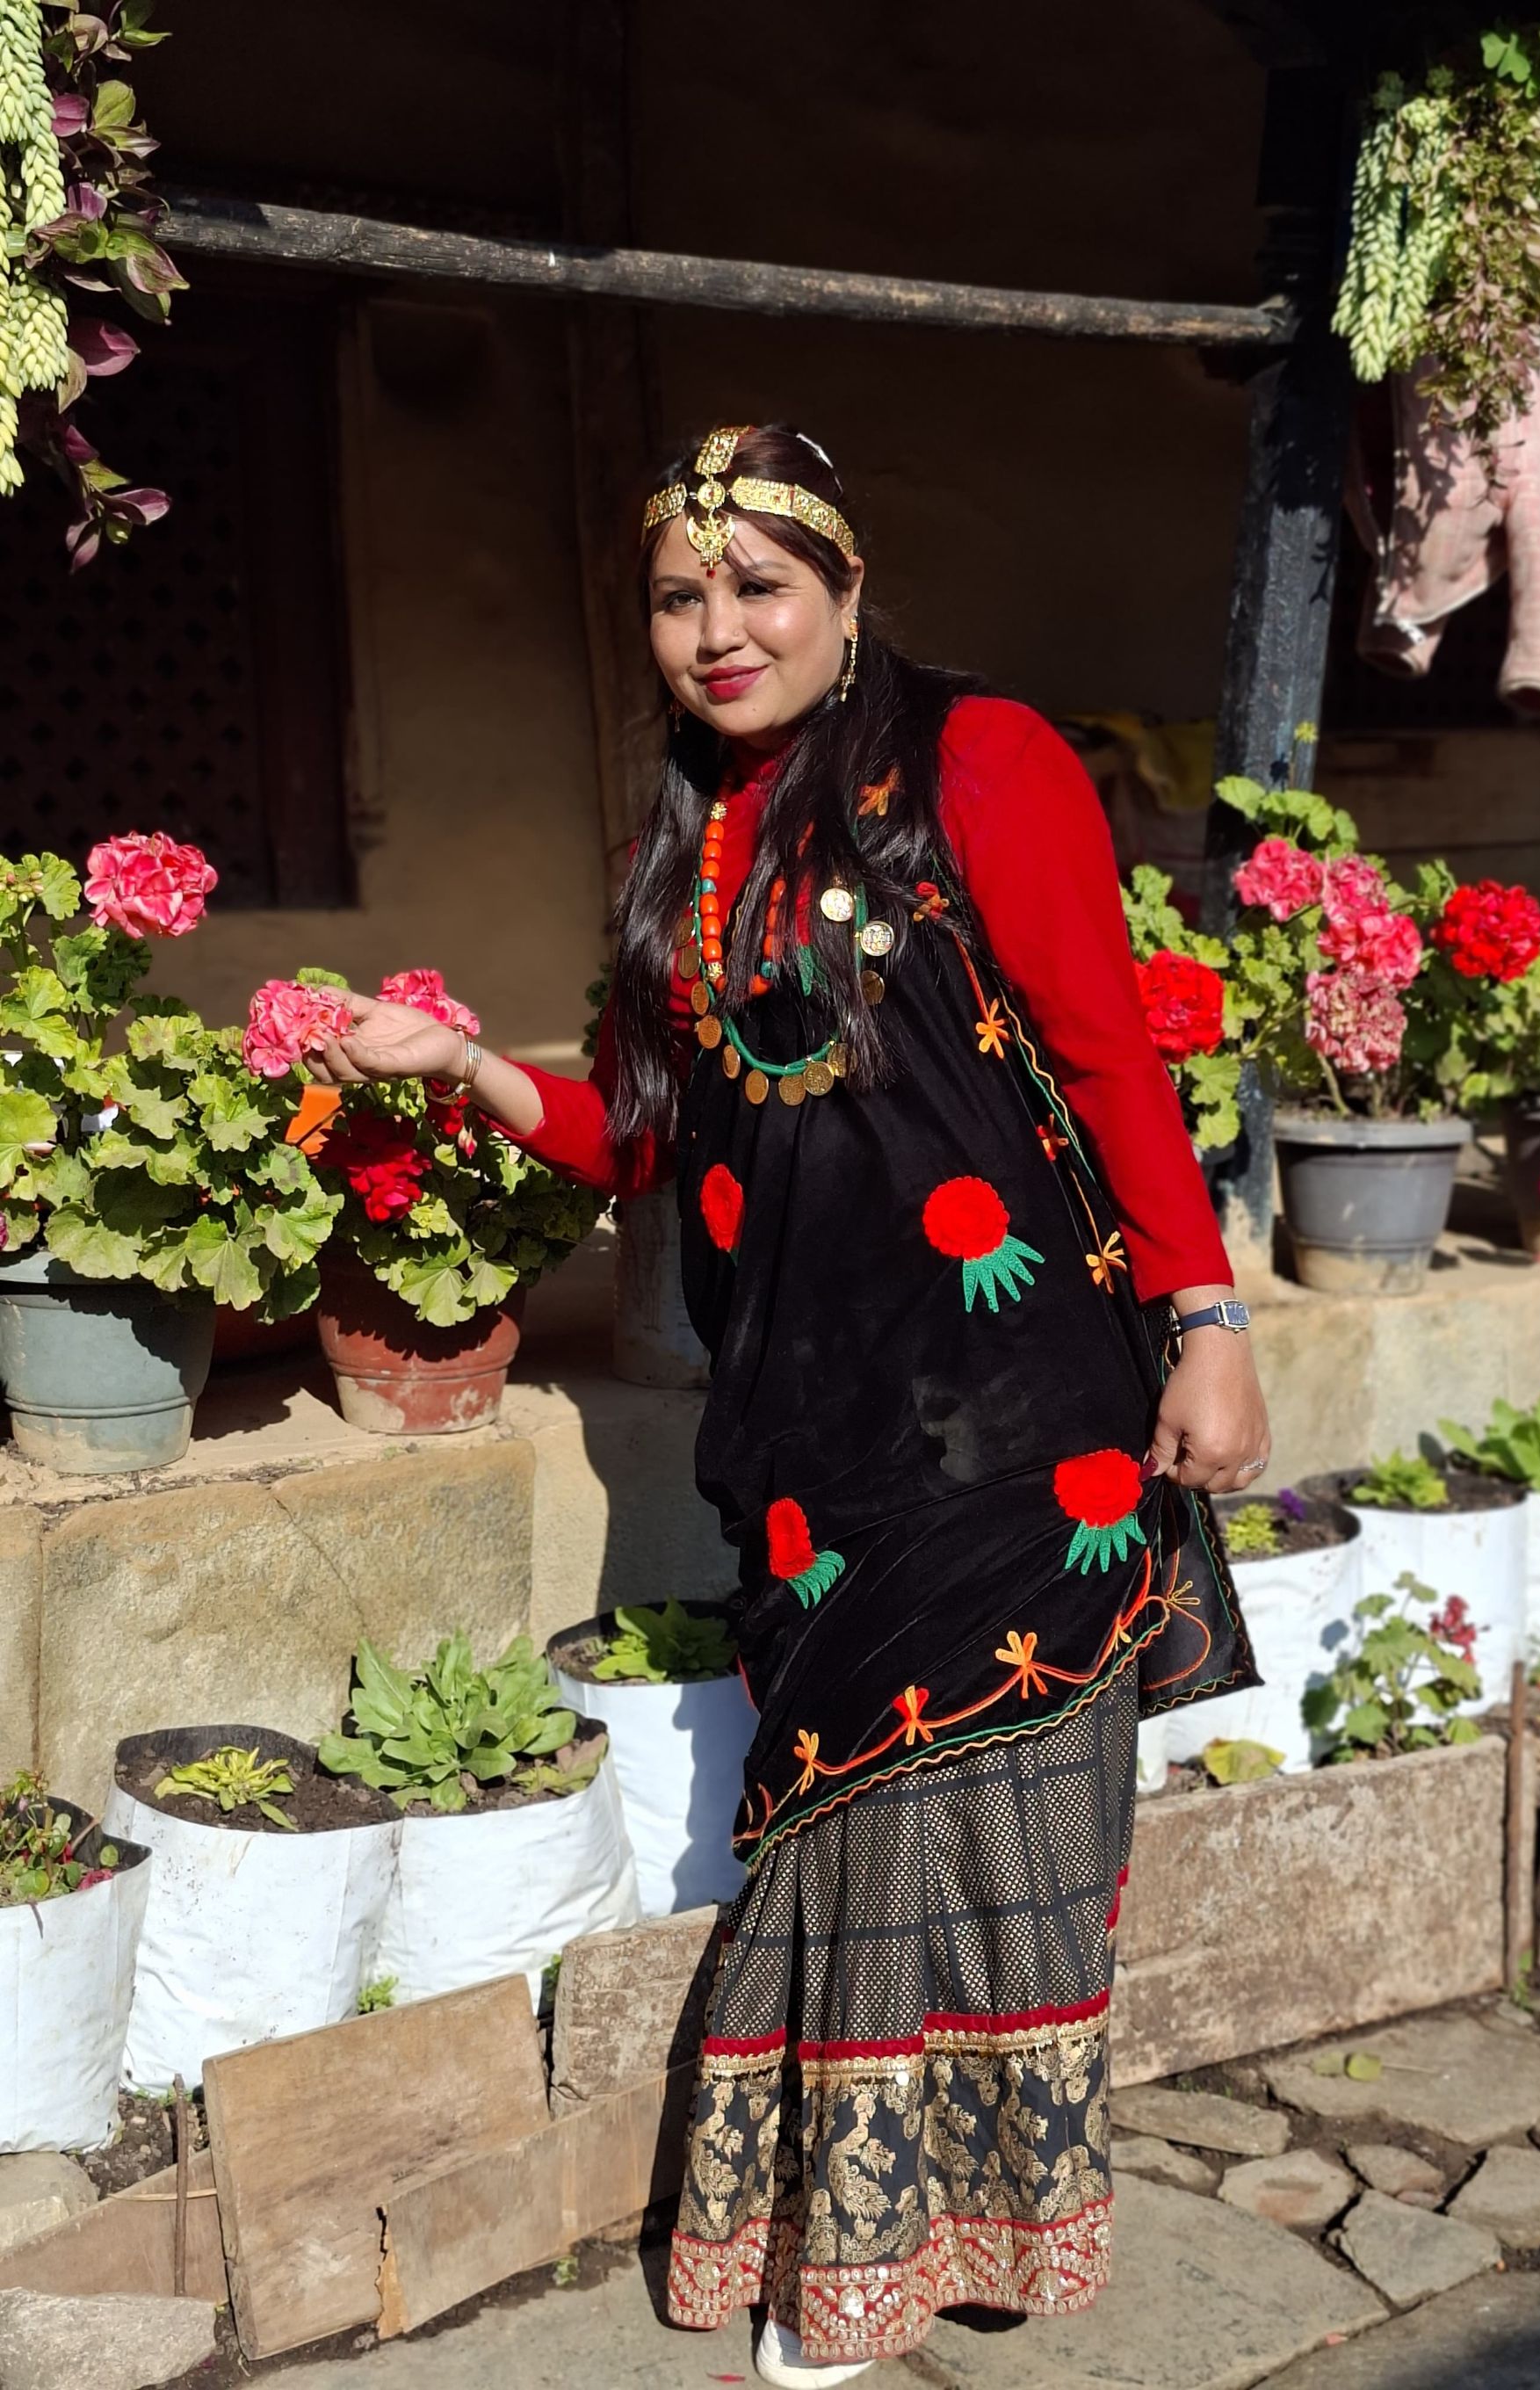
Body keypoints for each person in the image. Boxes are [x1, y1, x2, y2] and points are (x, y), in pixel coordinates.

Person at [304, 424, 1268, 2386]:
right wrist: (468, 1065)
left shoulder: (979, 759)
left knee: (993, 1805)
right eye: (682, 597)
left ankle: (917, 2249)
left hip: (1022, 1398)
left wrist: (1209, 1315)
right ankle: (866, 2243)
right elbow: (642, 1133)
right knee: (845, 1809)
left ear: (845, 591)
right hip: (812, 1421)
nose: (719, 631)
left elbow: (1107, 1052)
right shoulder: (687, 837)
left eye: (760, 586)